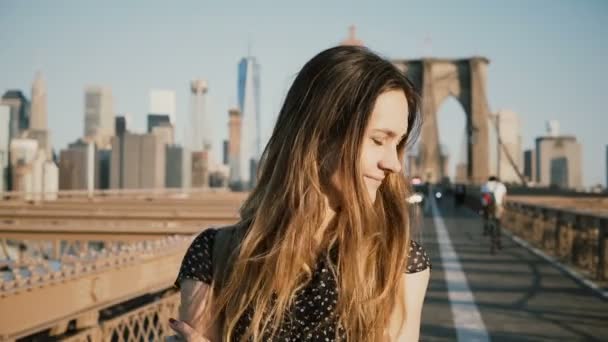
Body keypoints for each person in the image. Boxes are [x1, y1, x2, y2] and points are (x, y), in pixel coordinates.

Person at [169, 45, 431, 342]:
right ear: (320, 136)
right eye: (378, 140)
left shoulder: (398, 263)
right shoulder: (213, 256)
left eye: (397, 145)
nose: (394, 164)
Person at [480, 176, 507, 252]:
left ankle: (487, 228)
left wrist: (483, 208)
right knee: (498, 223)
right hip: (498, 206)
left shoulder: (485, 185)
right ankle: (498, 241)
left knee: (489, 221)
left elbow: (482, 198)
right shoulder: (501, 186)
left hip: (487, 206)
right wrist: (503, 207)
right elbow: (504, 198)